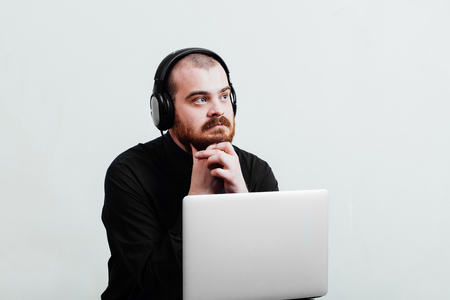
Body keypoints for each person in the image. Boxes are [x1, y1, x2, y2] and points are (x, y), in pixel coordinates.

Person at [101, 48, 278, 300]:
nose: (218, 110)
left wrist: (242, 202)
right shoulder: (128, 174)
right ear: (166, 111)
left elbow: (271, 277)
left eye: (224, 96)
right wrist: (198, 200)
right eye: (200, 99)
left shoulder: (256, 171)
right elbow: (160, 287)